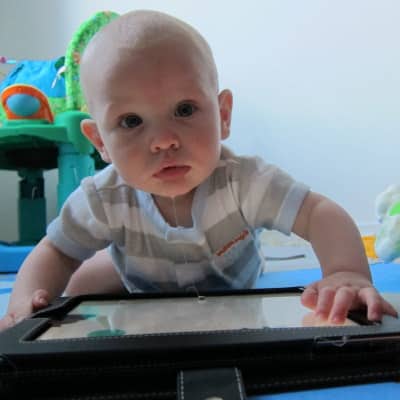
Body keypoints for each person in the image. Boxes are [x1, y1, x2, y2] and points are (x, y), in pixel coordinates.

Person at [0, 10, 396, 331]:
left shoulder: (244, 180)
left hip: (228, 284)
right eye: (132, 121)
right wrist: (25, 302)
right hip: (141, 279)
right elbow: (55, 249)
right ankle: (104, 271)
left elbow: (318, 213)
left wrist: (345, 273)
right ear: (100, 141)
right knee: (75, 287)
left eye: (184, 110)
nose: (164, 140)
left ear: (223, 115)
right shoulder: (104, 197)